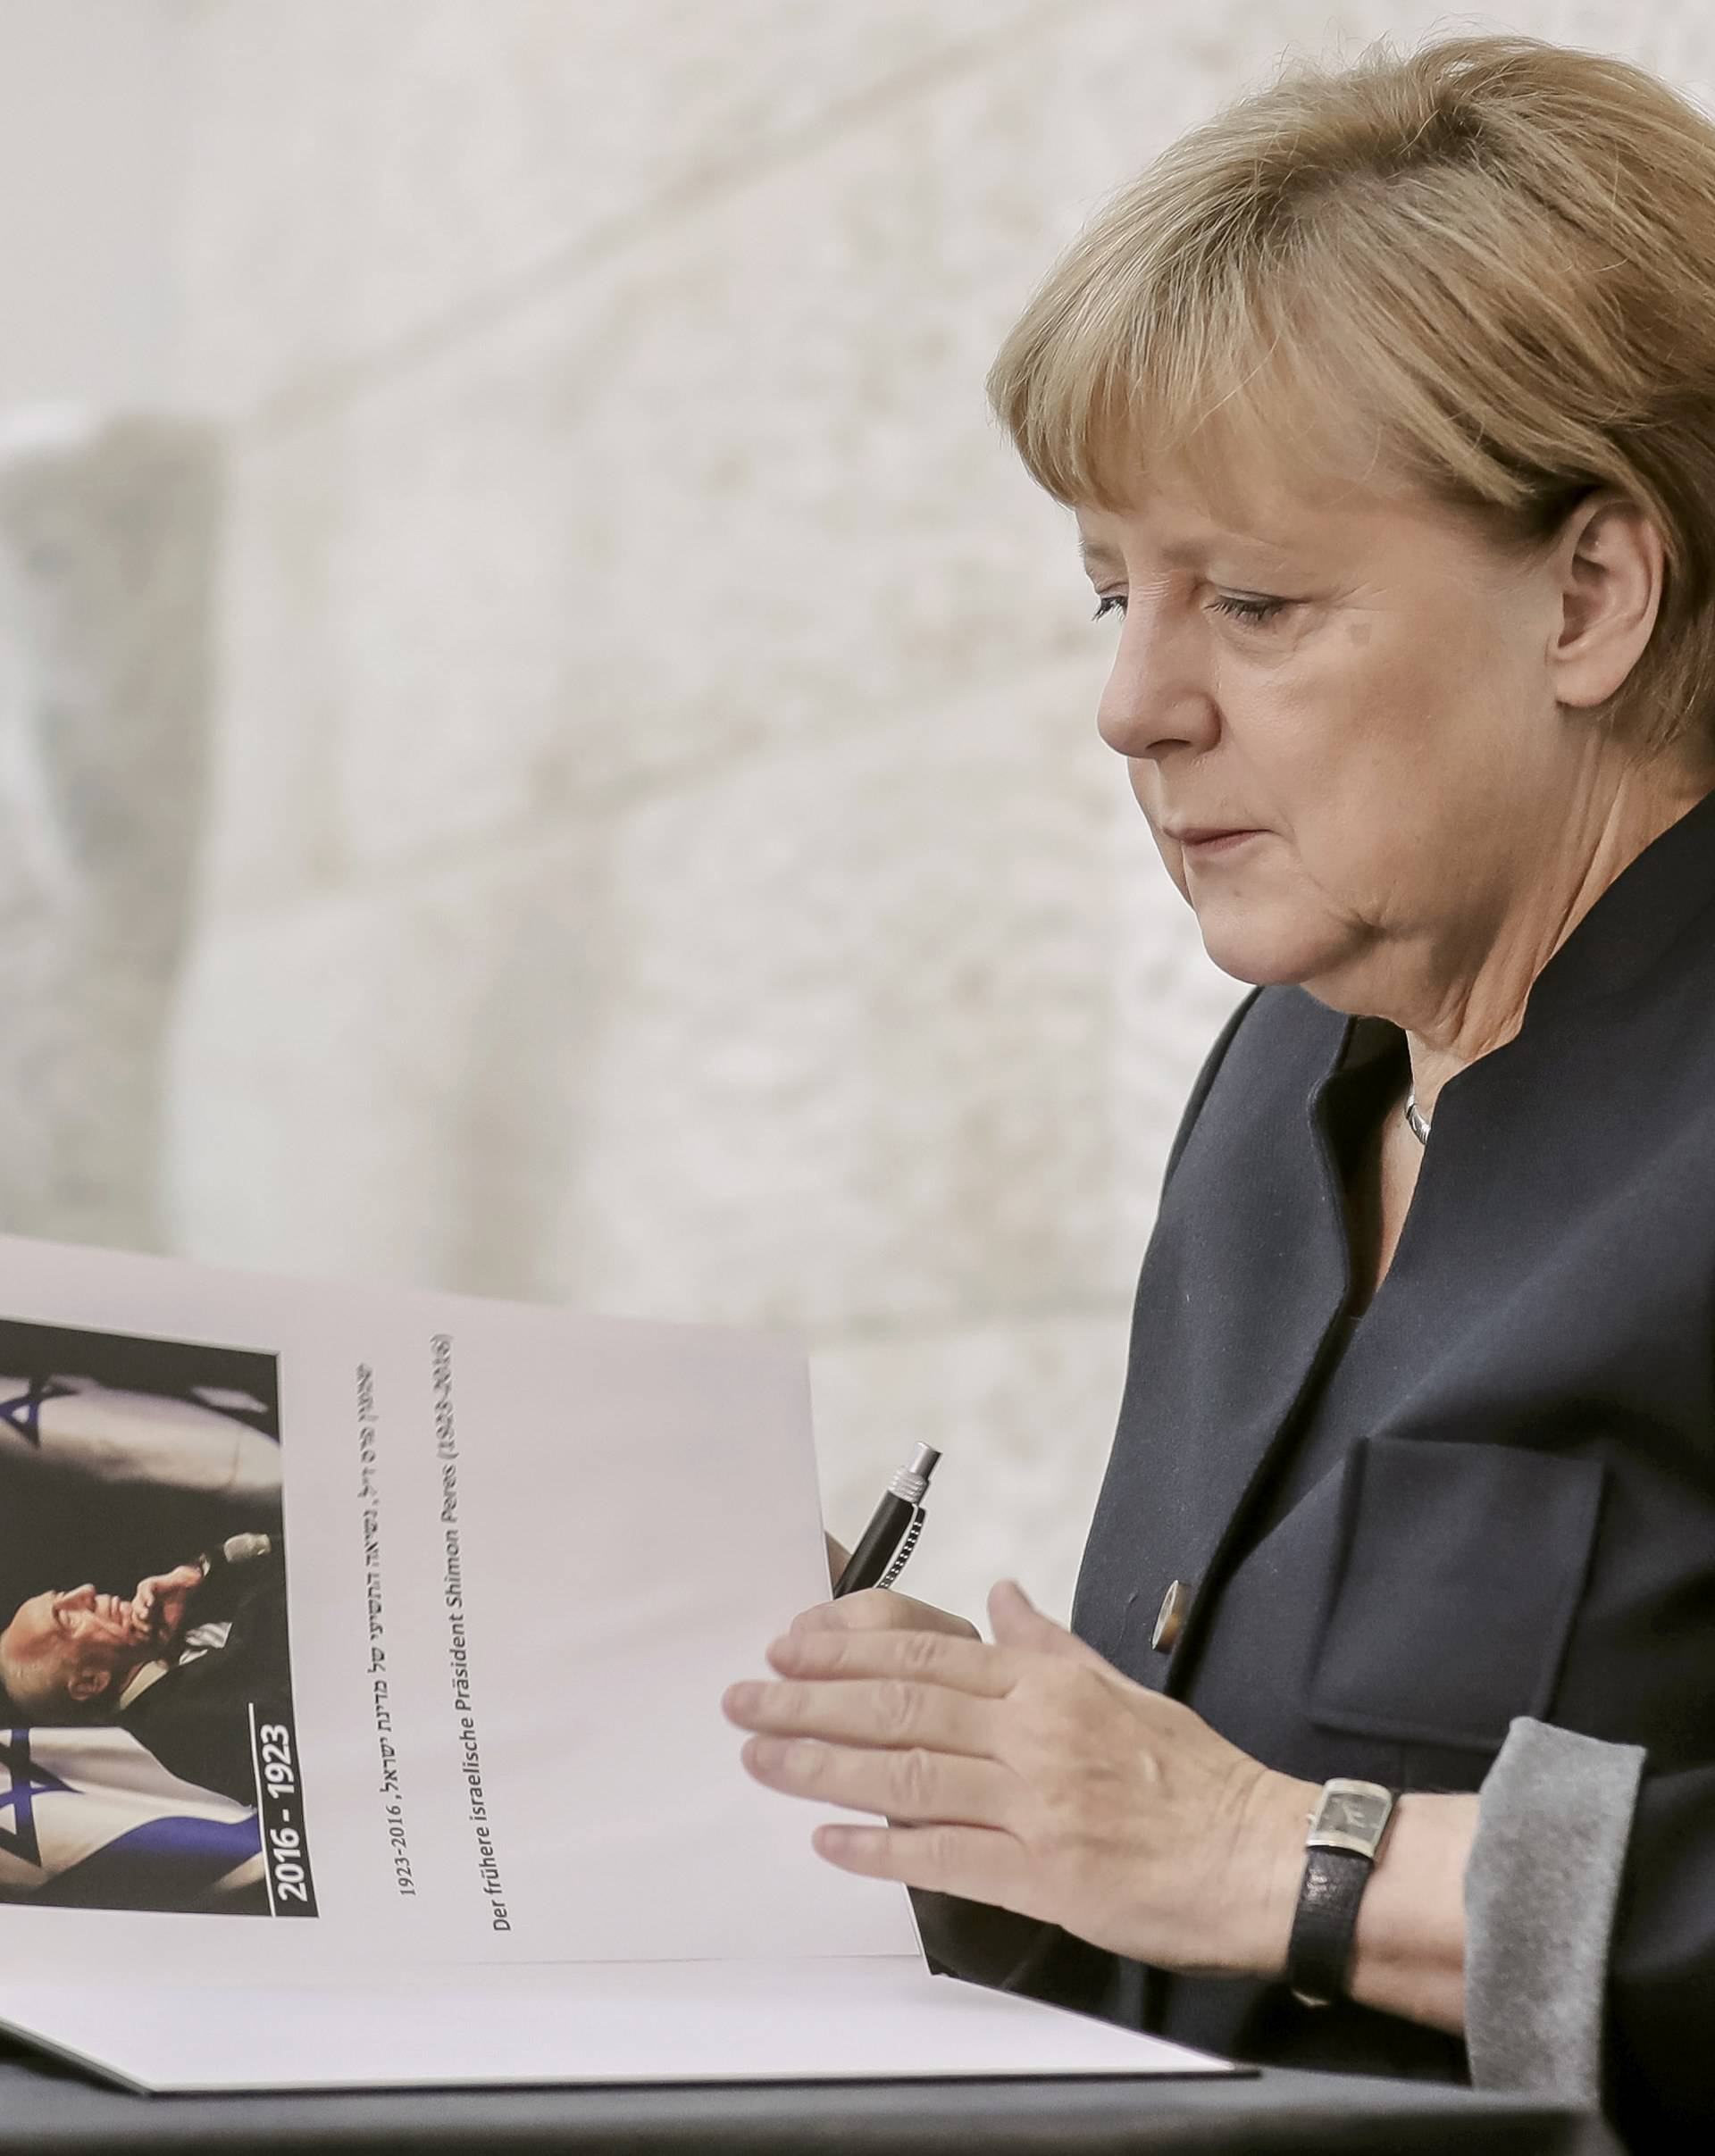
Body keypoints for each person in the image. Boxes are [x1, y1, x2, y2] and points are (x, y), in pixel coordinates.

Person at [720, 30, 1715, 2152]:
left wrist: (1284, 1850)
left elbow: (1244, 1861)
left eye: (1252, 602)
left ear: (1593, 590)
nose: (1129, 703)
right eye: (1111, 591)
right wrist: (939, 1769)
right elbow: (1168, 1923)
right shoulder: (1282, 1087)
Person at [0, 1533, 285, 1806]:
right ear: (90, 1681)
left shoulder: (178, 1626)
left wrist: (198, 1573)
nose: (85, 1592)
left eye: (64, 1595)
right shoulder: (185, 1729)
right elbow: (298, 1613)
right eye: (68, 1618)